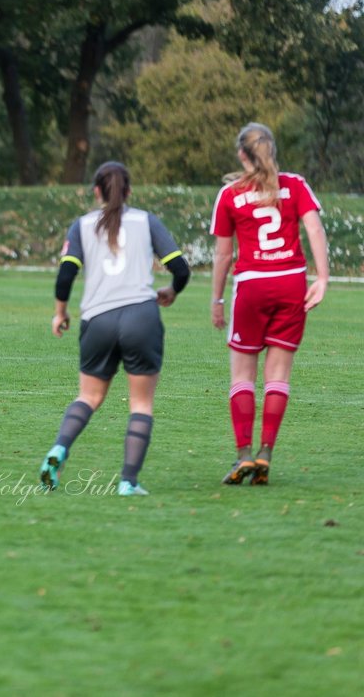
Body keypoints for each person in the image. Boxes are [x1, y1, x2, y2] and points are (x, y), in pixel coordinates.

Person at [38, 161, 191, 497]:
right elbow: (180, 268)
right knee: (140, 405)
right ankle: (128, 482)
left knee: (89, 396)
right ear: (129, 191)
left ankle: (59, 449)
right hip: (141, 316)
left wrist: (60, 313)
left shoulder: (81, 225)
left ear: (96, 192)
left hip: (98, 319)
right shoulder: (145, 220)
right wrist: (172, 291)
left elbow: (66, 276)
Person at [210, 123, 328, 486]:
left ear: (241, 155)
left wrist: (216, 298)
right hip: (291, 282)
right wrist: (322, 277)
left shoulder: (231, 194)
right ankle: (266, 452)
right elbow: (314, 228)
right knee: (278, 375)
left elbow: (224, 254)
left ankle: (244, 454)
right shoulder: (294, 184)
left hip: (252, 285)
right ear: (272, 151)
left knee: (242, 375)